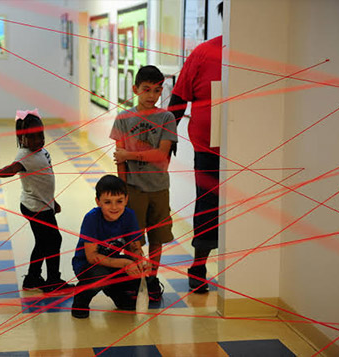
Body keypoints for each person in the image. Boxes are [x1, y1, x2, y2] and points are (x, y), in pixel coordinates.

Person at [168, 2, 223, 293]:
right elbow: (178, 98)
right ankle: (198, 266)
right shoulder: (204, 52)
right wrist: (166, 140)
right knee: (208, 205)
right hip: (209, 150)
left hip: (251, 151)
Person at [110, 65, 178, 301]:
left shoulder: (166, 117)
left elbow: (161, 155)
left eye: (157, 90)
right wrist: (122, 190)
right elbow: (119, 160)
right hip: (134, 190)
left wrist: (130, 155)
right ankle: (136, 275)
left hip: (159, 188)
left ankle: (152, 277)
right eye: (146, 89)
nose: (152, 96)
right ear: (135, 89)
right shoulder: (123, 119)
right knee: (133, 238)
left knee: (157, 237)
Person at [0, 109, 73, 293]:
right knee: (54, 240)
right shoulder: (25, 156)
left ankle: (32, 279)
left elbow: (45, 179)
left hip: (43, 204)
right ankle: (53, 280)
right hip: (36, 207)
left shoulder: (41, 151)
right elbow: (13, 169)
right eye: (32, 137)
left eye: (41, 135)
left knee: (42, 242)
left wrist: (53, 201)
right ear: (21, 138)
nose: (39, 140)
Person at [71, 175, 148, 319]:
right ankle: (81, 299)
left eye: (119, 201)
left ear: (126, 199)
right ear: (98, 202)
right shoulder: (92, 218)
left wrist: (140, 261)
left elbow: (134, 248)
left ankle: (115, 292)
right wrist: (125, 263)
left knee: (139, 275)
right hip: (87, 266)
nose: (114, 207)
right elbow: (92, 257)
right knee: (99, 275)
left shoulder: (130, 216)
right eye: (107, 202)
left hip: (112, 262)